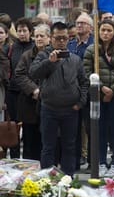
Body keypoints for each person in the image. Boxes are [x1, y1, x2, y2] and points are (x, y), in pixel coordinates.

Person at [29, 21, 89, 176]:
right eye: (58, 38)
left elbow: (84, 82)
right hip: (49, 108)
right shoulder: (43, 55)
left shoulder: (75, 59)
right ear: (51, 38)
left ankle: (68, 179)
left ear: (69, 39)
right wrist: (50, 61)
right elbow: (33, 73)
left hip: (71, 109)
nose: (61, 41)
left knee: (69, 146)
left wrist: (80, 102)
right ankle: (46, 180)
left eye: (64, 38)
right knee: (48, 146)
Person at [83, 19, 114, 177]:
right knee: (100, 130)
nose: (105, 33)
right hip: (97, 95)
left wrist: (113, 90)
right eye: (103, 30)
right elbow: (86, 72)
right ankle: (101, 162)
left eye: (109, 30)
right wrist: (102, 87)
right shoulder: (91, 50)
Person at [15, 24, 51, 160]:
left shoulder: (53, 54)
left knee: (47, 140)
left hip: (49, 103)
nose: (39, 38)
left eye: (42, 36)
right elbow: (19, 74)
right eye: (36, 36)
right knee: (29, 141)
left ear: (49, 38)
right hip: (30, 104)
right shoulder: (27, 55)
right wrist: (33, 89)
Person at [67, 13, 94, 169]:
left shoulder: (94, 44)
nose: (79, 26)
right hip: (72, 91)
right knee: (73, 129)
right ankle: (75, 160)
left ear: (90, 27)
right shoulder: (70, 44)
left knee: (90, 128)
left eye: (83, 23)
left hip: (89, 90)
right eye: (77, 23)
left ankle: (92, 160)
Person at [6, 17, 34, 158]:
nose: (22, 34)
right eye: (19, 31)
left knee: (28, 127)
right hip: (12, 92)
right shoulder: (12, 47)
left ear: (30, 32)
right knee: (14, 127)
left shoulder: (34, 47)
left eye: (24, 31)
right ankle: (15, 157)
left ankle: (29, 158)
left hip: (28, 94)